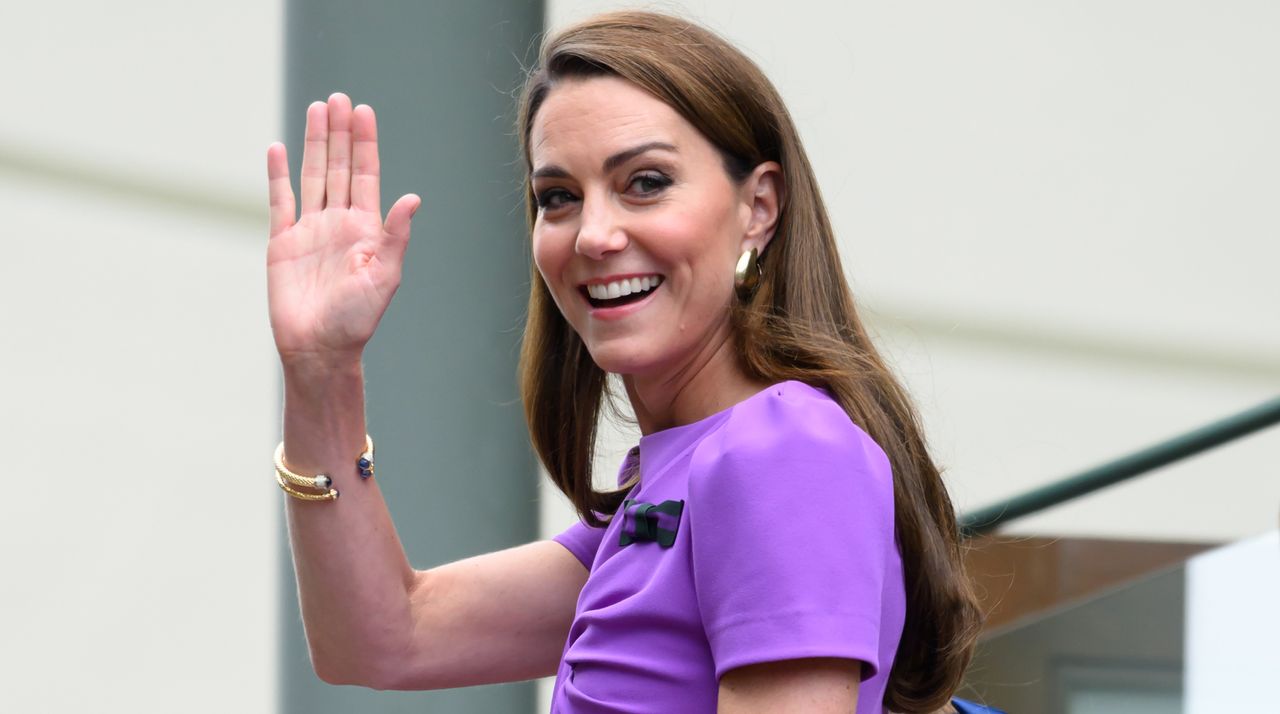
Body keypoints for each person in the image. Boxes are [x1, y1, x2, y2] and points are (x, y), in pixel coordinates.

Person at [265, 10, 984, 714]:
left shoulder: (781, 451)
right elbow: (384, 638)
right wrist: (321, 369)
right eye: (559, 198)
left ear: (759, 206)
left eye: (645, 182)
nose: (595, 235)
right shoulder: (675, 486)